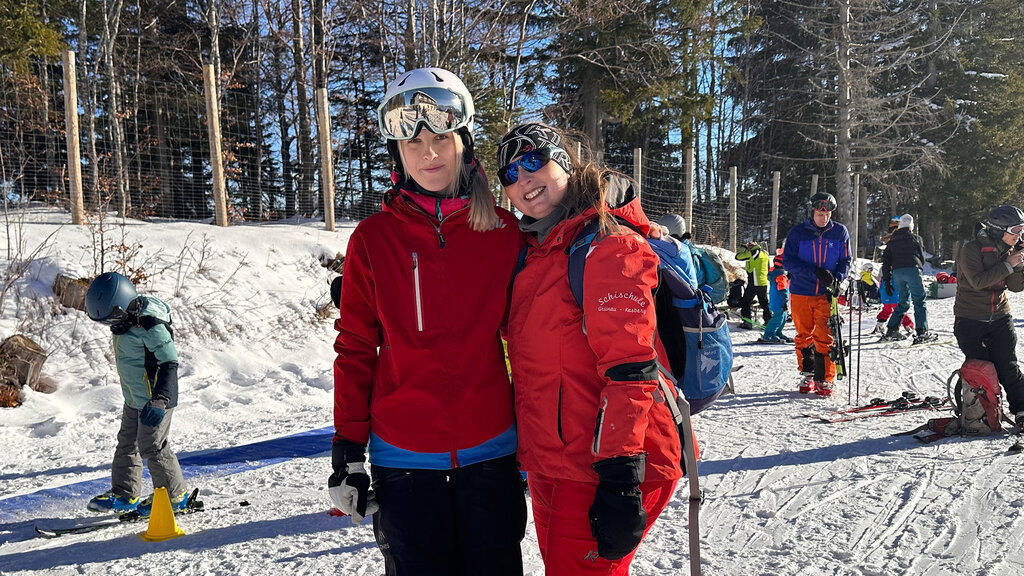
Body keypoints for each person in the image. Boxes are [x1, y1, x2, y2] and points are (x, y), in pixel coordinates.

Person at [329, 67, 526, 576]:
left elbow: (534, 338)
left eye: (440, 136)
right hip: (404, 457)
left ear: (464, 141)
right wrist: (348, 452)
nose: (428, 152)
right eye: (413, 142)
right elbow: (354, 348)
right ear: (397, 153)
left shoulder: (504, 231)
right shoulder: (373, 239)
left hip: (493, 451)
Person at [497, 122, 682, 575]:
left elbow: (631, 368)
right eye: (509, 173)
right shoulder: (533, 253)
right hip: (552, 458)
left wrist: (620, 476)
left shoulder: (607, 246)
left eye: (533, 160)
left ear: (564, 161)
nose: (522, 178)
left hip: (609, 464)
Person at [84, 272, 189, 517]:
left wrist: (160, 400)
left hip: (156, 401)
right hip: (133, 398)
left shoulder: (151, 326)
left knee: (152, 447)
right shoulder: (123, 323)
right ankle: (124, 493)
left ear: (125, 305)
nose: (111, 325)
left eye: (113, 318)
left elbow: (169, 364)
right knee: (127, 444)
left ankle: (174, 496)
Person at [953, 205, 1024, 428]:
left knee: (1008, 366)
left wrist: (1019, 264)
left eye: (1022, 230)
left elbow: (1015, 287)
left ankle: (1022, 410)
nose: (1019, 235)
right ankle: (982, 416)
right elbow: (978, 282)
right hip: (970, 318)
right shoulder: (971, 250)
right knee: (981, 369)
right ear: (998, 229)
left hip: (1001, 316)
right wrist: (1007, 265)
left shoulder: (1010, 250)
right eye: (1015, 230)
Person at [782, 192, 851, 396]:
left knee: (825, 335)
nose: (824, 217)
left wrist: (837, 278)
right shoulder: (797, 233)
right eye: (821, 213)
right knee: (804, 335)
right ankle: (808, 374)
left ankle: (825, 378)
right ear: (813, 211)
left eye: (828, 213)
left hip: (825, 293)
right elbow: (788, 262)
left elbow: (846, 260)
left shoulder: (840, 232)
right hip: (801, 291)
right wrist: (813, 271)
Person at [880, 214, 935, 344]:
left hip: (897, 273)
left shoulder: (892, 241)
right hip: (912, 270)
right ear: (911, 227)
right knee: (919, 301)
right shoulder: (915, 238)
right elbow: (922, 256)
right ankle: (922, 332)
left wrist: (887, 281)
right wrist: (919, 267)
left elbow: (886, 262)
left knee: (903, 301)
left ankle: (892, 329)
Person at [736, 240, 771, 328]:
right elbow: (768, 267)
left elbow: (738, 257)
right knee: (764, 302)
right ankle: (768, 320)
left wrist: (742, 249)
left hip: (754, 282)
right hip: (763, 281)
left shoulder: (753, 252)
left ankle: (747, 322)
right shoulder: (765, 253)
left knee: (745, 302)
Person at [760, 254, 792, 343]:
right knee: (777, 318)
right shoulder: (780, 276)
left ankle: (778, 332)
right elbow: (782, 290)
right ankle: (768, 334)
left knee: (783, 317)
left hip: (777, 299)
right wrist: (785, 301)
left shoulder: (775, 272)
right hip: (779, 300)